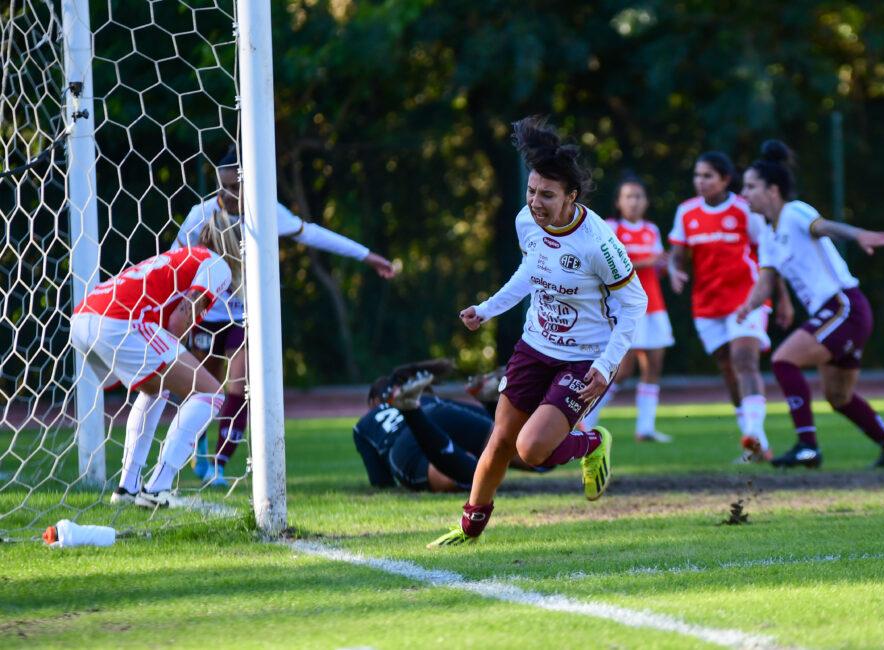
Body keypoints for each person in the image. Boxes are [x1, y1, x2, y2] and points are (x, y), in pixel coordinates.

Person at [428, 116, 648, 548]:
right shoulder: (525, 222)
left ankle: (591, 442)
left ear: (571, 197)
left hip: (585, 358)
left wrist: (607, 365)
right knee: (501, 440)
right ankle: (469, 527)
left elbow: (634, 302)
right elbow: (532, 270)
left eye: (547, 195)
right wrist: (487, 309)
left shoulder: (598, 243)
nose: (535, 202)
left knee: (531, 450)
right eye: (531, 191)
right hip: (534, 347)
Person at [162, 146, 398, 487]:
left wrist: (367, 256)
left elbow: (314, 233)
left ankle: (218, 463)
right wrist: (176, 304)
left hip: (243, 314)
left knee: (239, 385)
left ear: (248, 184)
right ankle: (195, 446)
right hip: (204, 312)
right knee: (201, 388)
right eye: (222, 185)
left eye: (234, 186)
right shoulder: (202, 213)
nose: (226, 194)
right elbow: (173, 258)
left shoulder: (266, 213)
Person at [736, 140, 884, 469]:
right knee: (839, 397)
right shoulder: (769, 232)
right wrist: (749, 305)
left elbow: (824, 227)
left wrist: (859, 234)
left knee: (783, 360)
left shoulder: (794, 211)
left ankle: (807, 446)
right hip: (836, 314)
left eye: (750, 186)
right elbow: (766, 279)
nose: (744, 194)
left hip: (844, 307)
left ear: (773, 190)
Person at [71, 214, 240, 508]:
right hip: (119, 321)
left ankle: (127, 488)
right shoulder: (217, 264)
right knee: (211, 393)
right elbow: (179, 321)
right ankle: (158, 486)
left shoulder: (185, 255)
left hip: (85, 317)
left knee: (156, 387)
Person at [667, 152, 772, 462]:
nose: (700, 181)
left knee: (744, 360)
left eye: (707, 176)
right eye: (697, 175)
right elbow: (677, 253)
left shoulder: (744, 209)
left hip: (746, 299)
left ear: (725, 179)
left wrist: (781, 299)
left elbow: (768, 255)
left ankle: (753, 431)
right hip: (707, 304)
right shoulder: (686, 211)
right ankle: (757, 445)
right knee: (728, 369)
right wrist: (674, 269)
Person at [580, 176, 674, 442]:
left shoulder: (651, 230)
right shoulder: (611, 228)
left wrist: (667, 267)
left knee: (654, 365)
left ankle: (645, 428)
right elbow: (610, 268)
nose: (634, 201)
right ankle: (585, 419)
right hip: (625, 308)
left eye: (639, 196)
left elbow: (657, 269)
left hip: (654, 305)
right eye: (629, 196)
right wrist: (648, 261)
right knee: (622, 368)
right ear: (619, 202)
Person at [353, 364, 548, 492]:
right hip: (438, 411)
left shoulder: (363, 424)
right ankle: (489, 400)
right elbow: (493, 427)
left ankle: (411, 411)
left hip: (402, 444)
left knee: (472, 480)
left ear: (374, 401)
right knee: (525, 453)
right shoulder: (427, 398)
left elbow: (381, 483)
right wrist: (489, 409)